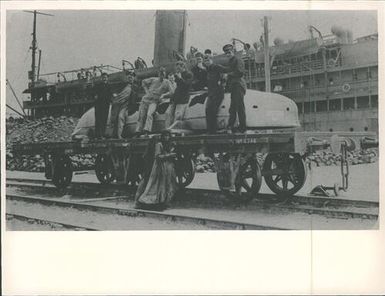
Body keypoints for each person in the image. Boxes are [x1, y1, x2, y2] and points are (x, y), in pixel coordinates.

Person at [135, 131, 178, 211]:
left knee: (162, 185)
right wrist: (169, 155)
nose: (167, 138)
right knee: (155, 185)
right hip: (159, 167)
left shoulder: (166, 145)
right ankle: (146, 202)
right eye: (165, 136)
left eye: (168, 136)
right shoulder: (159, 145)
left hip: (163, 167)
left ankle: (161, 203)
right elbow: (157, 157)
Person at [136, 67, 173, 134]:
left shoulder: (167, 82)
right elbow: (143, 82)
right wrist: (146, 91)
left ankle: (147, 130)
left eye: (163, 74)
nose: (162, 75)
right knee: (141, 116)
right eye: (161, 74)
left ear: (165, 74)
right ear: (159, 74)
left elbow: (172, 92)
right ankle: (138, 131)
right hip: (145, 100)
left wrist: (163, 95)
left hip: (154, 101)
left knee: (149, 114)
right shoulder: (153, 79)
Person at [222, 43, 247, 133]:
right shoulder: (231, 61)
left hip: (238, 85)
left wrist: (227, 75)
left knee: (235, 107)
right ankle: (241, 127)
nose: (228, 54)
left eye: (229, 52)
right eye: (226, 53)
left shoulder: (238, 60)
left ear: (233, 51)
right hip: (234, 86)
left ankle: (232, 126)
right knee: (238, 107)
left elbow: (240, 72)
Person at [203, 54, 226, 133]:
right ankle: (210, 130)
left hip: (218, 93)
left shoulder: (216, 67)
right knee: (207, 110)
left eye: (208, 60)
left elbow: (225, 72)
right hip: (211, 93)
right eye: (205, 61)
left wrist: (222, 83)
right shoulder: (208, 70)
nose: (207, 62)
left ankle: (213, 130)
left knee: (213, 110)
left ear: (211, 60)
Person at [166, 61, 193, 128]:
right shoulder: (176, 75)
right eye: (177, 69)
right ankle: (167, 129)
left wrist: (180, 78)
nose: (177, 70)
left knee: (178, 115)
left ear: (183, 67)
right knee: (168, 114)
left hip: (183, 98)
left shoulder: (189, 74)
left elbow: (186, 86)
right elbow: (176, 87)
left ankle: (175, 130)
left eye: (178, 68)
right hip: (176, 98)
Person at [115, 72, 139, 139]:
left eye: (131, 77)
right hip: (124, 106)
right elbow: (120, 96)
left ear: (134, 78)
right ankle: (119, 135)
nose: (130, 79)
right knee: (120, 117)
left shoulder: (135, 87)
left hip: (132, 106)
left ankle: (137, 133)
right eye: (129, 78)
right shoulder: (125, 86)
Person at [94, 72, 113, 139]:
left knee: (104, 119)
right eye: (103, 77)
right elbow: (94, 94)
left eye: (105, 77)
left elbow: (110, 95)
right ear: (101, 78)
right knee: (98, 119)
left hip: (106, 105)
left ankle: (102, 134)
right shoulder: (98, 86)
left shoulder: (109, 86)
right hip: (99, 105)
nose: (104, 79)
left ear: (107, 78)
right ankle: (97, 135)